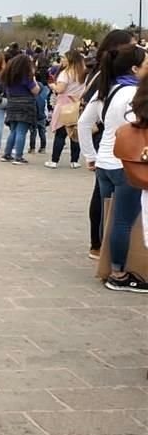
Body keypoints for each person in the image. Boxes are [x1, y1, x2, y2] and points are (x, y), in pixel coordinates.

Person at [78, 43, 148, 292]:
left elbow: (83, 123)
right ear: (134, 68)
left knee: (109, 216)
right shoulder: (133, 94)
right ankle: (118, 273)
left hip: (106, 162)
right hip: (126, 162)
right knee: (123, 220)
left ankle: (106, 263)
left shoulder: (107, 90)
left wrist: (90, 155)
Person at [45, 50, 86, 169]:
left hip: (64, 106)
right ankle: (74, 160)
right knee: (74, 133)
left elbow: (60, 89)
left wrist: (52, 85)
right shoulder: (82, 73)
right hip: (77, 104)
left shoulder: (65, 74)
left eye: (64, 58)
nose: (62, 60)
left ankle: (54, 160)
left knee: (60, 133)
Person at [0, 54, 40, 164]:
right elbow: (35, 90)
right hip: (25, 104)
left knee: (13, 130)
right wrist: (34, 79)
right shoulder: (26, 77)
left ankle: (7, 154)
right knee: (21, 131)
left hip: (12, 103)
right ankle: (18, 156)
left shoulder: (8, 76)